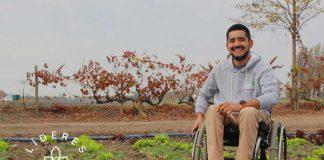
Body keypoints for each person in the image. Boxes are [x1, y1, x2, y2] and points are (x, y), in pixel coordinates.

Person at [191, 24, 280, 160]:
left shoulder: (263, 68)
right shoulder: (219, 69)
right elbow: (203, 95)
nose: (237, 44)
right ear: (227, 46)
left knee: (248, 111)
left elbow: (273, 95)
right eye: (232, 41)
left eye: (241, 40)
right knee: (213, 110)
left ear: (250, 43)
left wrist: (241, 106)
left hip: (255, 115)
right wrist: (199, 117)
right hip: (225, 117)